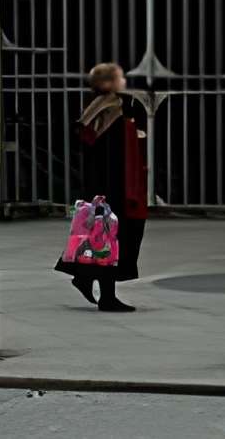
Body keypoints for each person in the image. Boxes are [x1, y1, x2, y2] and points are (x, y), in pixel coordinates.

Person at [63, 61, 149, 313]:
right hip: (114, 185)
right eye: (119, 77)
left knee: (101, 237)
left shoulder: (96, 108)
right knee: (110, 238)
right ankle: (106, 296)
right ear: (108, 82)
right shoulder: (114, 109)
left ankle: (84, 278)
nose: (124, 81)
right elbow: (115, 152)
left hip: (102, 183)